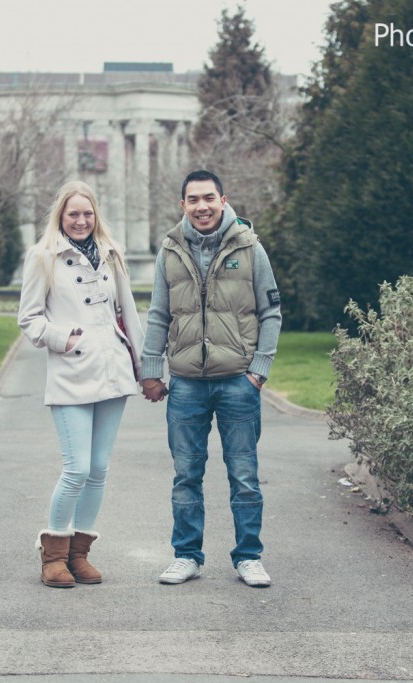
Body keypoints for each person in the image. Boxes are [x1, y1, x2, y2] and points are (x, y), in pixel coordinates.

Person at [139, 169, 282, 588]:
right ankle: (186, 555)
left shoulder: (250, 248)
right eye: (193, 199)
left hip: (238, 381)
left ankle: (249, 557)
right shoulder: (170, 250)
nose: (201, 206)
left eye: (208, 198)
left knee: (244, 474)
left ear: (223, 200)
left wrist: (259, 371)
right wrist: (152, 371)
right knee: (186, 473)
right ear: (182, 204)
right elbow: (158, 315)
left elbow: (271, 311)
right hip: (186, 384)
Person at [18, 180, 144, 588]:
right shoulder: (42, 257)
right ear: (61, 215)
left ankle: (79, 554)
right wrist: (65, 340)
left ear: (95, 215)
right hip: (72, 373)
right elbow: (29, 319)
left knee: (99, 469)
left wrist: (145, 368)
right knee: (77, 468)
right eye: (73, 213)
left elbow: (129, 312)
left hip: (112, 371)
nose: (81, 220)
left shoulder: (112, 254)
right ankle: (52, 556)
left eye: (87, 213)